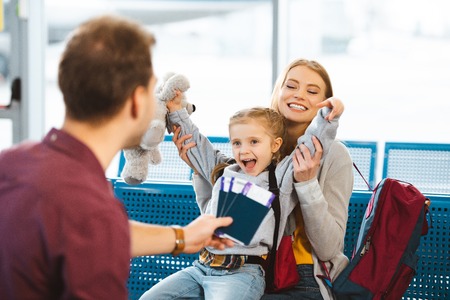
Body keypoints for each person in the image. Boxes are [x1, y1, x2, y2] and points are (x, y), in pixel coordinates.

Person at [0, 15, 234, 300]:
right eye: (152, 89)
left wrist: (182, 238)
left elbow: (88, 235)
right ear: (137, 101)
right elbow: (92, 228)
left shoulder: (12, 163)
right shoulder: (91, 209)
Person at [139, 81, 342, 299]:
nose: (244, 150)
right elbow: (194, 142)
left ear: (275, 145)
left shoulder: (279, 179)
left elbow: (310, 146)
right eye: (237, 143)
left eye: (254, 142)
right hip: (201, 268)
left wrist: (328, 116)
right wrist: (176, 109)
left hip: (242, 273)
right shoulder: (224, 170)